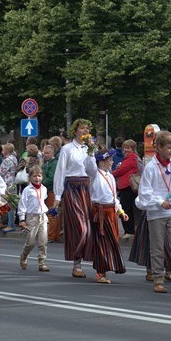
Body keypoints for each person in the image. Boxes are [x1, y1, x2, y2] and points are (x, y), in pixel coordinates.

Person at [135, 130, 171, 294]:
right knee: (157, 247)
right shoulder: (151, 168)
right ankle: (158, 279)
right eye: (168, 148)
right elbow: (145, 192)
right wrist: (160, 202)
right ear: (159, 147)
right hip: (156, 214)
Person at [53, 119, 98, 279]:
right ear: (75, 131)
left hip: (86, 188)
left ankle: (79, 262)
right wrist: (57, 196)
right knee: (79, 227)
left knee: (88, 227)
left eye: (87, 128)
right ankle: (76, 264)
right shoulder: (67, 149)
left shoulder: (89, 148)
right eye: (82, 128)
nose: (85, 131)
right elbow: (60, 172)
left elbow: (93, 172)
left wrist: (92, 153)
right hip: (72, 187)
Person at [88, 148, 128, 283]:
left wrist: (121, 211)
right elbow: (89, 165)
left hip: (111, 212)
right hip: (100, 212)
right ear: (102, 161)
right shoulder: (95, 175)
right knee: (101, 242)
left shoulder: (109, 175)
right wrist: (90, 151)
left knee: (112, 242)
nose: (112, 162)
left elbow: (113, 196)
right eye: (110, 160)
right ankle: (100, 272)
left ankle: (108, 267)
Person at [18, 165, 50, 272]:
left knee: (43, 241)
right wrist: (22, 219)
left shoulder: (44, 189)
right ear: (30, 178)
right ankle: (24, 256)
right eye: (35, 176)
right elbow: (22, 205)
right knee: (30, 242)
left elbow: (43, 201)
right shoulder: (27, 190)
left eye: (39, 176)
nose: (37, 178)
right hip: (31, 218)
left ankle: (42, 263)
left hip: (42, 217)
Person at [112, 139, 140, 236]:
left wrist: (109, 174)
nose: (126, 150)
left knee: (125, 208)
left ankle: (129, 231)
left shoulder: (131, 158)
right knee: (128, 208)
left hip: (128, 186)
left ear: (133, 149)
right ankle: (129, 230)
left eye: (128, 148)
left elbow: (121, 171)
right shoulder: (129, 158)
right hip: (126, 186)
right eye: (125, 148)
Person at [41, 143, 61, 242]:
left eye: (47, 153)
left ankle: (52, 235)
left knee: (52, 213)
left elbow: (52, 178)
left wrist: (41, 184)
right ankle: (51, 234)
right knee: (49, 213)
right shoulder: (46, 164)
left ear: (52, 153)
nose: (45, 155)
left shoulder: (54, 163)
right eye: (44, 153)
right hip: (47, 191)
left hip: (52, 191)